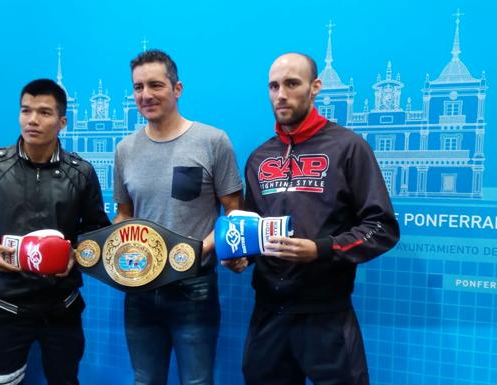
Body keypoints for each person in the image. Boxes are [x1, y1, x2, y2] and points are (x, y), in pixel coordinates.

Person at [230, 53, 400, 385]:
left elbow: (381, 226)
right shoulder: (259, 157)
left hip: (326, 314)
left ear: (315, 88)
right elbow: (254, 229)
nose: (281, 94)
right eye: (274, 86)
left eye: (292, 84)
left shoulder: (348, 147)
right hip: (268, 313)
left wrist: (321, 249)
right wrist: (242, 255)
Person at [0, 79, 111, 385]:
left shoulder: (82, 172)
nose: (32, 120)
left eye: (44, 113)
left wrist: (79, 255)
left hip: (63, 306)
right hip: (7, 305)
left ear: (62, 122)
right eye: (26, 111)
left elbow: (97, 231)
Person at [113, 49, 243, 385]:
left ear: (177, 89)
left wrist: (197, 251)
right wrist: (113, 247)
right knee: (144, 380)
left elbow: (234, 212)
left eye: (155, 85)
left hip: (194, 288)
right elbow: (124, 214)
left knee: (197, 382)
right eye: (138, 87)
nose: (146, 95)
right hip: (139, 289)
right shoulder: (124, 149)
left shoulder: (212, 141)